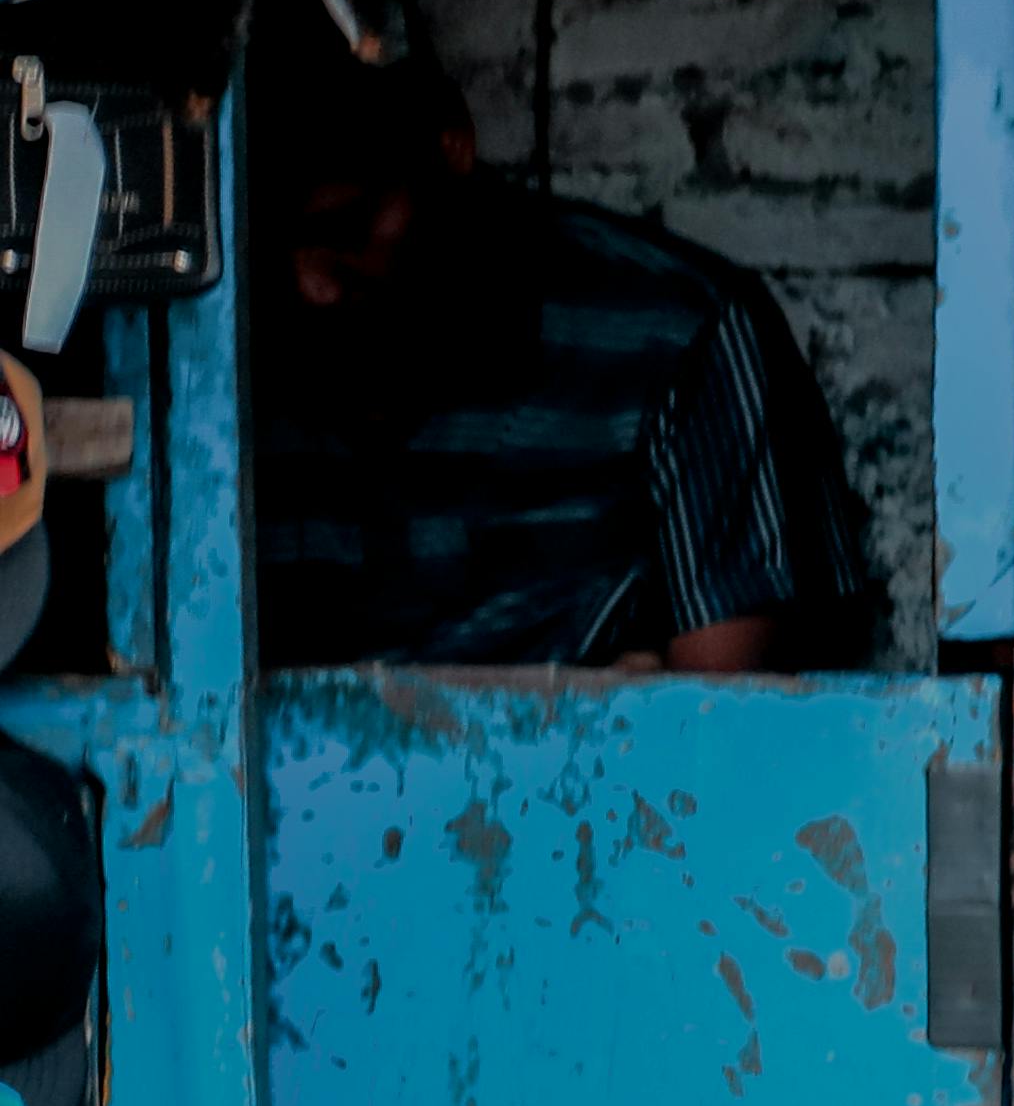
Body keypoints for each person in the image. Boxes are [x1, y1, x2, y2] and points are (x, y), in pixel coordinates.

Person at [251, 48, 871, 670]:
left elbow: (723, 724)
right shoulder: (223, 364)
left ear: (450, 147)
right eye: (276, 247)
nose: (314, 288)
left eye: (351, 227)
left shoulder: (678, 336)